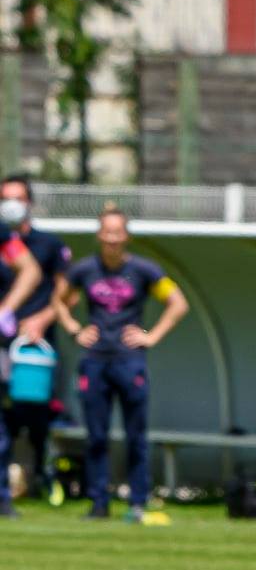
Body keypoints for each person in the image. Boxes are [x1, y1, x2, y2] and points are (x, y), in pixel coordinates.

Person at [54, 207, 188, 524]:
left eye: (117, 232)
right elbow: (58, 300)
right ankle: (98, 503)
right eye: (107, 232)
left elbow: (178, 303)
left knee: (135, 435)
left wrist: (151, 336)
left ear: (126, 236)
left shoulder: (144, 270)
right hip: (95, 360)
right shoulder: (84, 270)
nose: (112, 239)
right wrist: (75, 330)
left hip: (130, 361)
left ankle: (138, 502)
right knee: (96, 436)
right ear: (99, 236)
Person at [0, 175, 71, 503]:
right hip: (5, 343)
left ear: (29, 202)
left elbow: (66, 291)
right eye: (5, 198)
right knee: (6, 417)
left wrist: (40, 320)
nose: (10, 205)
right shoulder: (5, 238)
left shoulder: (48, 244)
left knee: (36, 413)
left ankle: (41, 476)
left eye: (17, 198)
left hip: (36, 346)